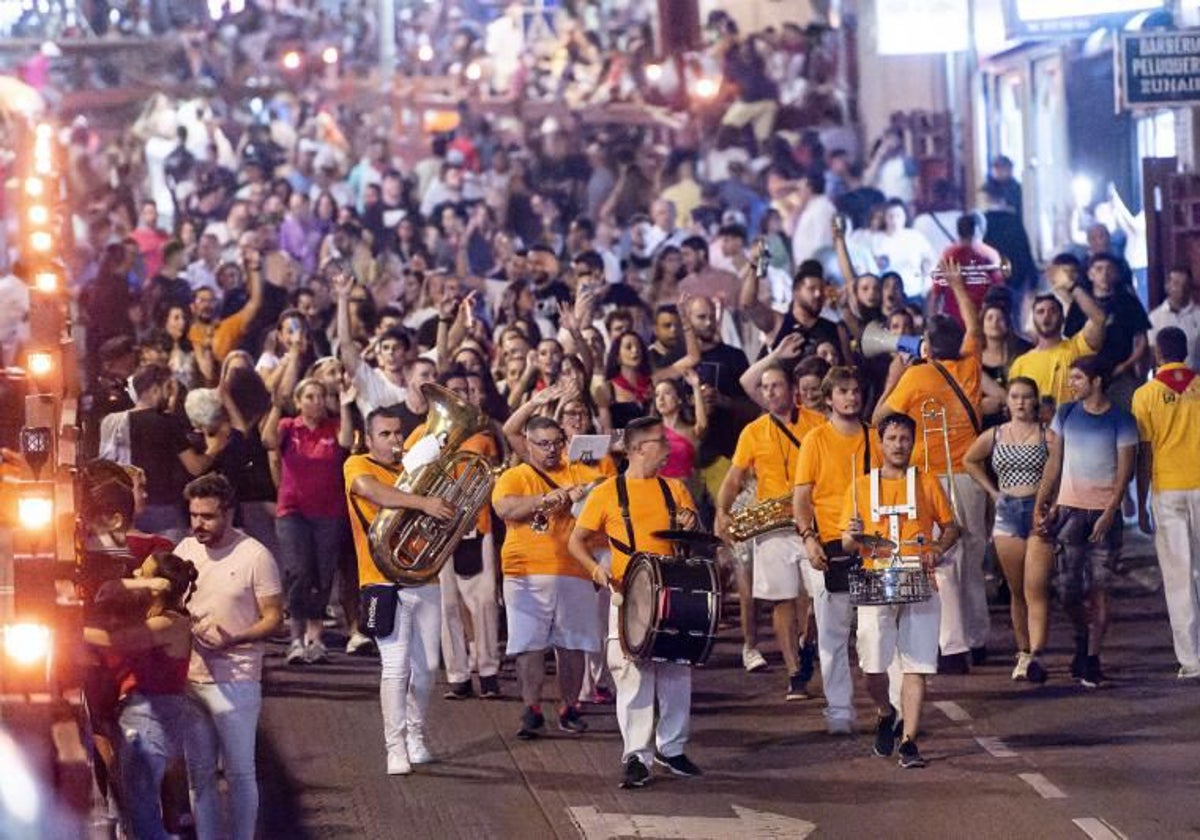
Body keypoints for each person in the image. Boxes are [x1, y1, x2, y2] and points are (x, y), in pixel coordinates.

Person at [569, 416, 702, 789]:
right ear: (640, 448)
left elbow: (690, 537)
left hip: (672, 590)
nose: (668, 447)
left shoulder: (674, 488)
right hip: (628, 592)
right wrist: (598, 573)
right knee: (633, 673)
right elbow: (576, 541)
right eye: (661, 441)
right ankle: (636, 756)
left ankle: (671, 748)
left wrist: (691, 525)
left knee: (676, 668)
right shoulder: (607, 492)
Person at [872, 265, 989, 673]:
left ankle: (953, 645)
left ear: (927, 346)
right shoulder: (971, 364)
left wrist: (896, 375)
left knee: (942, 562)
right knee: (972, 556)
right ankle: (978, 637)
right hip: (970, 476)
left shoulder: (916, 375)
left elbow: (880, 417)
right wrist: (957, 286)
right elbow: (974, 324)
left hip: (931, 477)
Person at [841, 412, 960, 769]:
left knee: (916, 664)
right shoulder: (860, 486)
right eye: (892, 438)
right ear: (880, 443)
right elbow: (847, 544)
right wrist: (853, 534)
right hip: (876, 581)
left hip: (919, 580)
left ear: (913, 442)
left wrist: (937, 549)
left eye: (905, 439)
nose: (899, 445)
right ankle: (883, 710)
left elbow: (952, 527)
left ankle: (909, 740)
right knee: (872, 668)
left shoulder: (926, 482)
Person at [344, 407, 456, 775]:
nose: (395, 441)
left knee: (427, 669)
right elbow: (370, 491)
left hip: (424, 576)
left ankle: (415, 735)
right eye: (386, 435)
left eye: (398, 434)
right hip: (381, 579)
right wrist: (424, 502)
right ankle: (394, 748)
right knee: (395, 667)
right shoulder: (356, 464)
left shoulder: (417, 469)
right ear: (368, 438)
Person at [176, 474, 283, 840]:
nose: (197, 525)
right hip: (191, 679)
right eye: (193, 515)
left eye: (207, 516)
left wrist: (235, 638)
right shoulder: (186, 550)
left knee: (239, 773)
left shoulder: (255, 555)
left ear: (229, 513)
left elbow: (273, 617)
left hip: (237, 680)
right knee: (199, 775)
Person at [716, 364, 823, 699]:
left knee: (821, 597)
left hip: (814, 522)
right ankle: (795, 673)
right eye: (766, 388)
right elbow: (734, 478)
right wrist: (722, 511)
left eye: (777, 385)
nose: (771, 392)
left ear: (793, 389)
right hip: (772, 526)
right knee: (782, 599)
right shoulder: (753, 431)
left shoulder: (817, 424)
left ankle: (809, 642)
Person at [493, 416, 602, 738]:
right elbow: (504, 508)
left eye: (557, 442)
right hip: (524, 571)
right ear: (528, 444)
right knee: (529, 645)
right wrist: (546, 499)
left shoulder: (579, 471)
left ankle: (570, 707)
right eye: (543, 444)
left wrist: (585, 494)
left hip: (574, 568)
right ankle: (532, 708)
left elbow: (602, 497)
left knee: (573, 645)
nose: (552, 450)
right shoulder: (516, 475)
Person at [1034, 355, 1137, 687]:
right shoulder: (1065, 414)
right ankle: (1081, 638)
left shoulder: (1121, 420)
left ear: (1096, 382)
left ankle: (1092, 658)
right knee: (1066, 591)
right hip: (1068, 513)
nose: (1071, 384)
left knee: (1099, 589)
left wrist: (1110, 512)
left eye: (1077, 378)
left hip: (1103, 515)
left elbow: (1125, 472)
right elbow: (1054, 463)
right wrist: (1043, 501)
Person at [83, 552, 197, 840]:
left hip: (150, 718)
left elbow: (115, 641)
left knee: (141, 810)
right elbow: (110, 588)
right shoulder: (156, 617)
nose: (134, 576)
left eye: (142, 573)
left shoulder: (170, 624)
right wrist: (137, 584)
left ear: (160, 585)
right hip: (142, 715)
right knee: (135, 809)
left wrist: (67, 630)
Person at [793, 366, 881, 734]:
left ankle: (886, 707)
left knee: (876, 635)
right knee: (831, 637)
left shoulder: (876, 438)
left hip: (874, 548)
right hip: (829, 547)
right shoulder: (815, 440)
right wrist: (809, 537)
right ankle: (840, 710)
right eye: (843, 391)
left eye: (855, 390)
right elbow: (801, 497)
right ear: (828, 398)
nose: (851, 397)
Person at [963, 378, 1055, 683]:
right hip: (1007, 513)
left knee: (1036, 586)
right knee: (1017, 590)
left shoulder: (1048, 436)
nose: (1020, 402)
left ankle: (1038, 655)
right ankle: (1024, 651)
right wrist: (992, 491)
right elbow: (970, 460)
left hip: (1037, 512)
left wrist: (1053, 503)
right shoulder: (996, 435)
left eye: (1027, 397)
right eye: (1015, 396)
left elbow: (1061, 470)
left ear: (1035, 402)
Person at [262, 377, 354, 665]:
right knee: (298, 571)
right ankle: (296, 638)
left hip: (329, 512)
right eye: (309, 396)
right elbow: (268, 440)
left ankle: (316, 638)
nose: (315, 402)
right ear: (299, 401)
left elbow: (348, 442)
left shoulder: (334, 426)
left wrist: (346, 406)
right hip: (294, 511)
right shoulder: (290, 427)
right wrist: (277, 406)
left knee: (322, 574)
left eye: (320, 396)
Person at [1132, 327, 1200, 679]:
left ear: (1158, 355)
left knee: (1178, 576)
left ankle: (1191, 660)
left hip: (1168, 489)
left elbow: (1145, 454)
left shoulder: (1144, 396)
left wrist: (1141, 500)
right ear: (1185, 353)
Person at [1008, 256, 1106, 409]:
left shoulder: (1077, 347)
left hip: (1074, 429)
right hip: (1037, 431)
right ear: (1033, 319)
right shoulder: (1021, 364)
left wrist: (1071, 286)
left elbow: (1098, 319)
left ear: (1062, 318)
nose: (1046, 316)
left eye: (1052, 311)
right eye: (1040, 312)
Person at [1065, 252, 1150, 411]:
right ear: (1090, 274)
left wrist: (1126, 365)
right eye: (1099, 269)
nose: (1104, 274)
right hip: (1087, 376)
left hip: (1121, 373)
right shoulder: (1080, 304)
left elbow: (1141, 341)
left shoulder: (1128, 302)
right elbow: (1069, 340)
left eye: (1109, 269)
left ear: (1116, 274)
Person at [1148, 266, 1200, 371]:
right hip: (1163, 383)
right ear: (1167, 286)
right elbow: (1152, 354)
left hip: (1194, 382)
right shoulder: (1154, 317)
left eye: (1185, 284)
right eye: (1176, 283)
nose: (1181, 289)